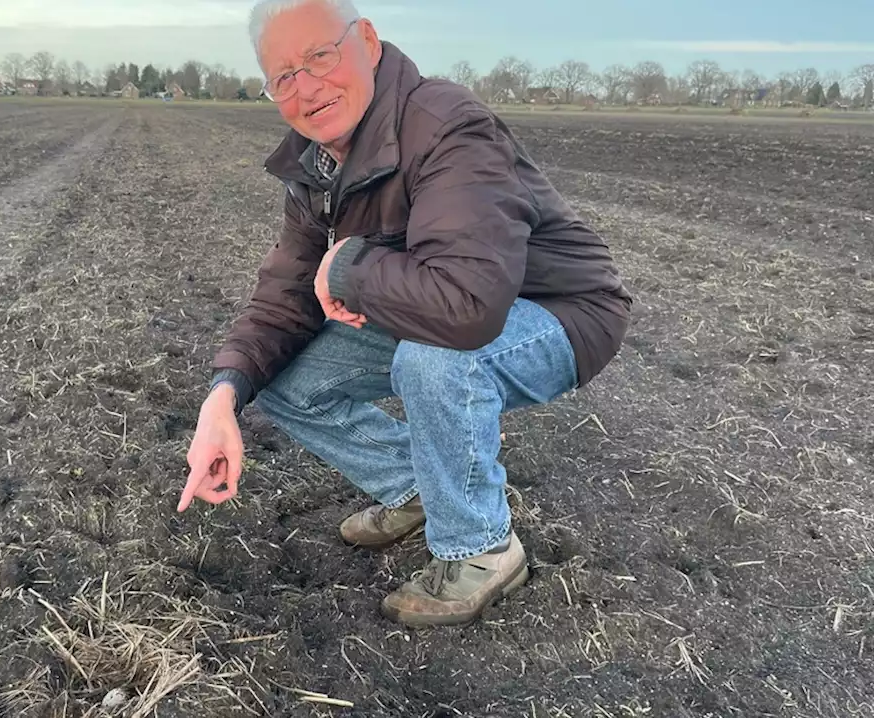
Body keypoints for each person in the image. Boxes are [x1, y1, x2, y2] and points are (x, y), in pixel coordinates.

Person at [177, 0, 632, 627]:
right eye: (283, 76)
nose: (305, 86)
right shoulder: (317, 167)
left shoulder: (446, 125)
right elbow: (283, 294)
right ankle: (421, 486)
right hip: (429, 300)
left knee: (436, 360)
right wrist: (222, 396)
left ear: (365, 40)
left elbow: (469, 307)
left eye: (319, 55)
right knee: (282, 383)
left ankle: (482, 550)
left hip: (558, 312)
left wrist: (349, 267)